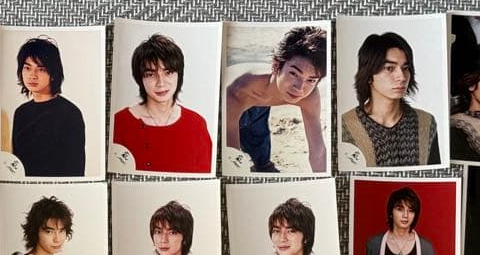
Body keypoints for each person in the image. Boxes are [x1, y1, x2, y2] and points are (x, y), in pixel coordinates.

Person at [226, 26, 328, 173]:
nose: (299, 88)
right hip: (228, 102)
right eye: (294, 74)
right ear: (275, 66)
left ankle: (263, 166)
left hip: (262, 99)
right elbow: (231, 155)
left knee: (258, 138)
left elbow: (318, 153)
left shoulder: (309, 96)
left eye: (311, 80)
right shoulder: (237, 91)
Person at [112, 34, 213, 174]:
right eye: (150, 74)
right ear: (140, 79)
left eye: (168, 72)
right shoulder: (120, 122)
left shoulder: (196, 124)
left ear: (179, 75)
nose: (161, 82)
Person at [340, 32, 440, 168]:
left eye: (405, 68)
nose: (402, 77)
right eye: (389, 68)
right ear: (369, 75)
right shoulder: (346, 126)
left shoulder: (426, 123)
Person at [10, 37, 86, 176]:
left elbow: (76, 170)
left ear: (53, 74)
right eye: (27, 68)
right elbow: (16, 164)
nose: (32, 75)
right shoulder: (20, 112)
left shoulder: (70, 113)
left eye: (41, 69)